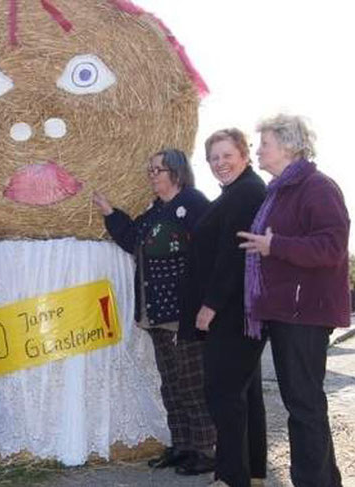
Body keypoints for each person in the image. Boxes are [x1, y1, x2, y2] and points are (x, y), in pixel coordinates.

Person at [238, 114, 350, 487]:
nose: (258, 151)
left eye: (264, 144)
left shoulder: (317, 187)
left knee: (304, 407)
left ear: (288, 145)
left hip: (305, 314)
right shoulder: (280, 191)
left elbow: (332, 248)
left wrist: (275, 246)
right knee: (303, 407)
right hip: (285, 310)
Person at [93, 149, 216, 475]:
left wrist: (207, 302)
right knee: (171, 383)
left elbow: (211, 252)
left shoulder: (193, 204)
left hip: (183, 311)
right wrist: (109, 212)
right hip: (157, 312)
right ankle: (182, 445)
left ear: (176, 172)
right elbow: (133, 239)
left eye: (157, 170)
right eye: (150, 170)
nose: (152, 175)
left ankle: (205, 449)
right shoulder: (155, 211)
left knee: (191, 383)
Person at [181, 129, 268, 487]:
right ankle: (253, 472)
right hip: (239, 310)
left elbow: (234, 255)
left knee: (223, 393)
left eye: (227, 155)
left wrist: (210, 305)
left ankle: (232, 477)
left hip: (232, 311)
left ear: (244, 154)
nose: (220, 163)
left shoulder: (246, 192)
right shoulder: (237, 192)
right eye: (214, 158)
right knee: (244, 392)